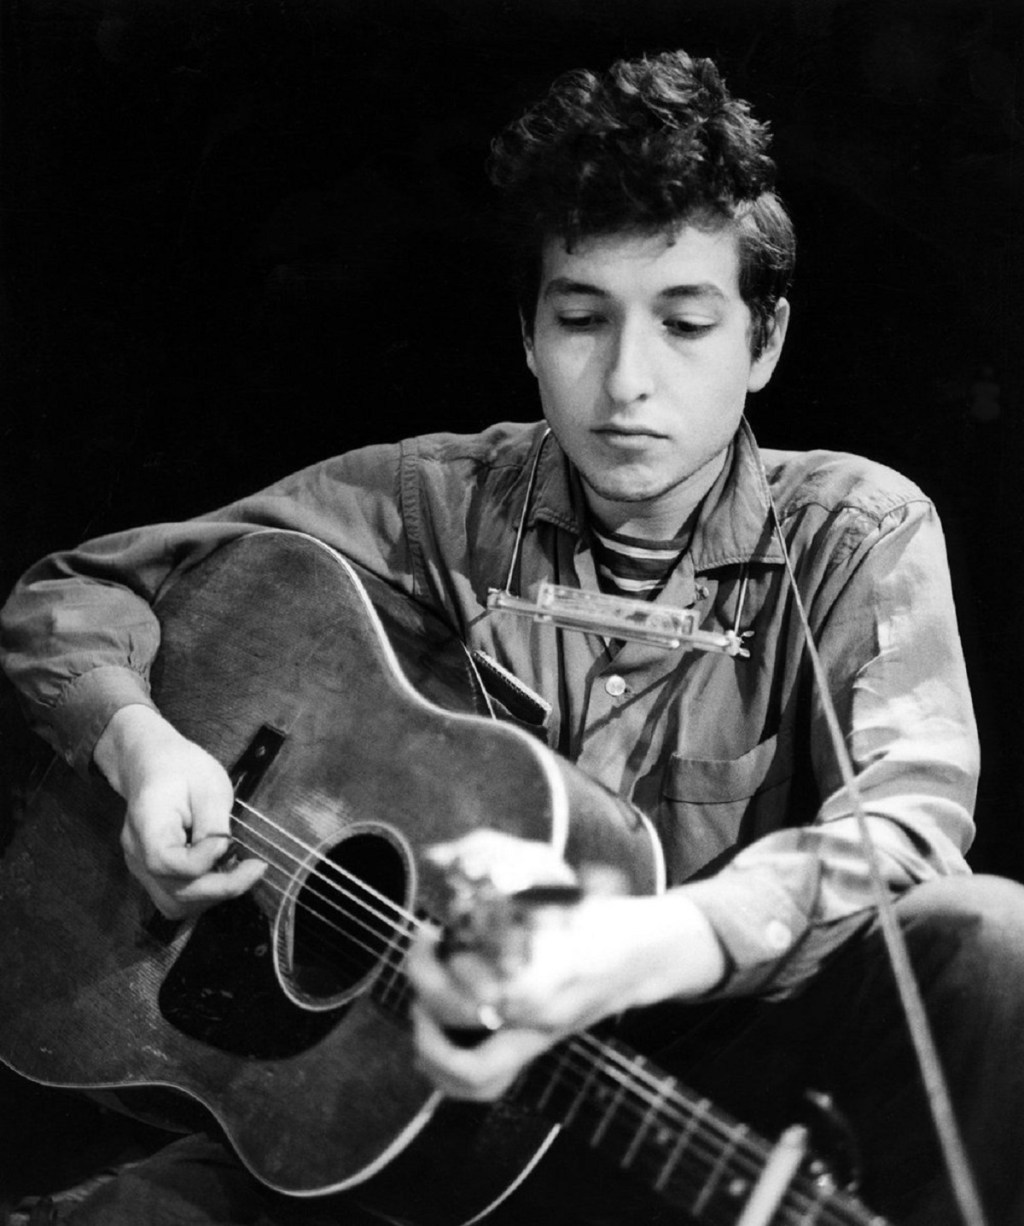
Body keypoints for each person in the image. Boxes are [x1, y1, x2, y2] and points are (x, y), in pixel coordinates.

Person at [3, 47, 1024, 1226]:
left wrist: (654, 938)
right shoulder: (435, 499)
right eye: (581, 319)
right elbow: (71, 595)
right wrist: (145, 748)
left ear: (765, 341)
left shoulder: (853, 527)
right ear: (529, 334)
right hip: (405, 1099)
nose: (625, 380)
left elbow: (906, 820)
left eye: (685, 323)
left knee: (992, 943)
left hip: (684, 1084)